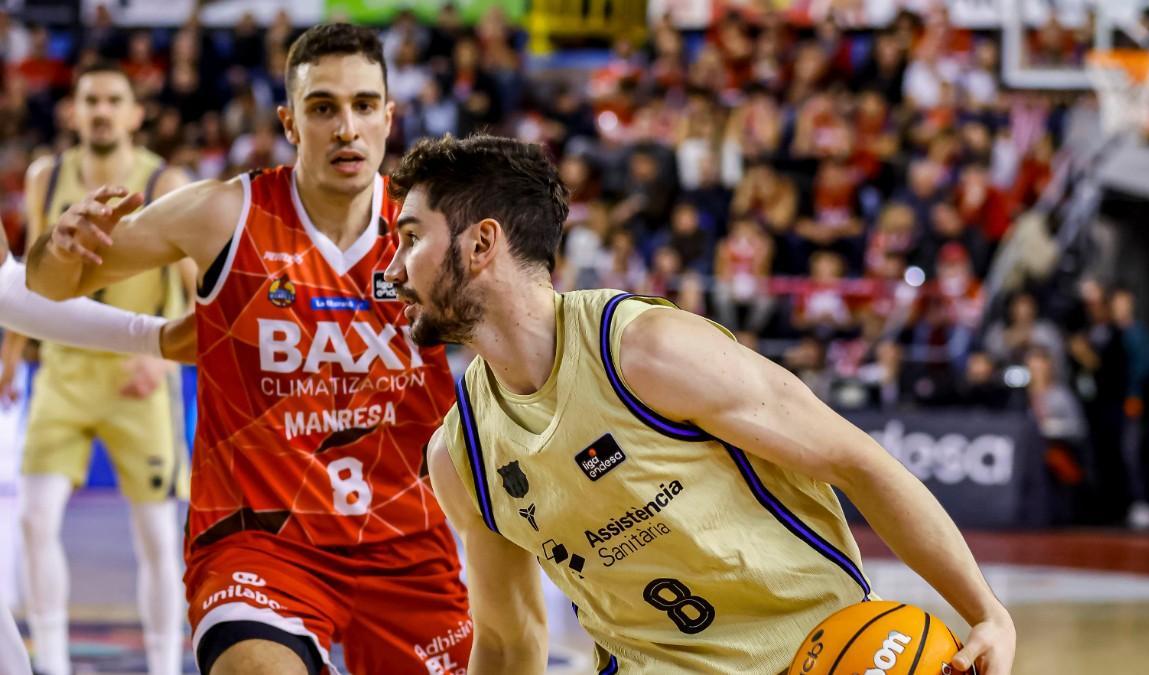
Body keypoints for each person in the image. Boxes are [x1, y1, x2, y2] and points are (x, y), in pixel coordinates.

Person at [384, 134, 1017, 674]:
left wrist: (987, 614)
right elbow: (505, 640)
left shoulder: (646, 351)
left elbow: (859, 463)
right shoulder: (461, 454)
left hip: (813, 651)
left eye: (410, 238)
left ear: (481, 244)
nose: (392, 270)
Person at [25, 25, 471, 675]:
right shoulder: (221, 213)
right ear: (290, 122)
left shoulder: (432, 231)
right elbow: (49, 283)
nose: (346, 127)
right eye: (323, 108)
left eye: (363, 105)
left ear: (388, 116)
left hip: (405, 547)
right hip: (258, 546)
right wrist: (60, 246)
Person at [8, 60, 194, 675]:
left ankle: (164, 665)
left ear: (136, 114)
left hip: (137, 374)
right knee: (34, 519)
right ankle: (53, 665)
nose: (102, 111)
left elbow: (200, 286)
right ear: (72, 111)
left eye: (114, 100)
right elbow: (27, 282)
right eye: (90, 100)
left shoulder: (166, 180)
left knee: (157, 534)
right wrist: (10, 358)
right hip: (61, 370)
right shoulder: (46, 176)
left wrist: (163, 367)